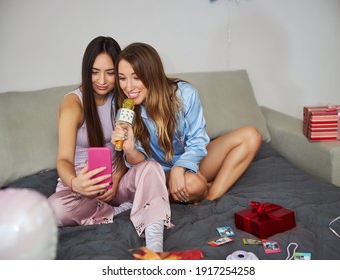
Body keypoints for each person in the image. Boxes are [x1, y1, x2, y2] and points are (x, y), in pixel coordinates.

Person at [48, 37, 172, 253]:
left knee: (152, 169)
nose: (102, 80)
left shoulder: (125, 99)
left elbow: (126, 150)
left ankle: (155, 246)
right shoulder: (73, 104)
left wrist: (116, 179)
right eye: (95, 72)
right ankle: (118, 211)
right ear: (87, 71)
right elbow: (63, 160)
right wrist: (76, 183)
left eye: (110, 72)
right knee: (53, 209)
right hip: (81, 189)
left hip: (117, 183)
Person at [111, 42, 262, 204]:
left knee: (251, 136)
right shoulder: (122, 106)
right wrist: (130, 149)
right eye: (122, 78)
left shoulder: (185, 94)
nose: (128, 86)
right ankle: (201, 187)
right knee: (193, 185)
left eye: (136, 77)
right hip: (159, 172)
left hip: (191, 160)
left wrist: (180, 167)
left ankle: (211, 197)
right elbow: (141, 165)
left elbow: (198, 141)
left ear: (152, 74)